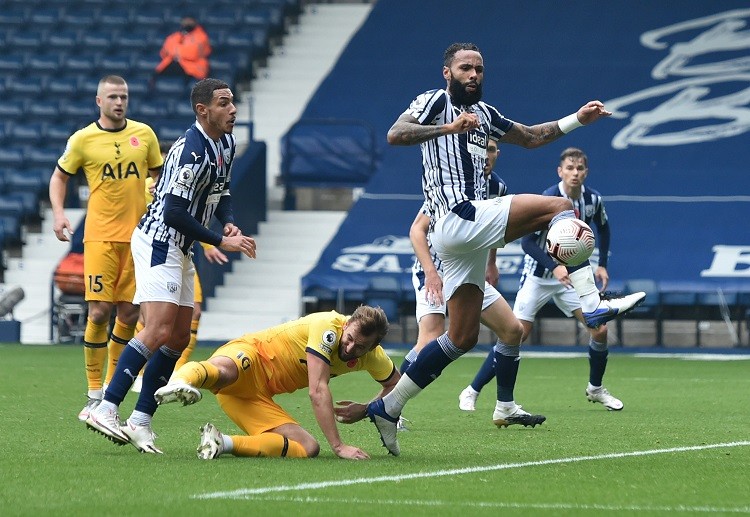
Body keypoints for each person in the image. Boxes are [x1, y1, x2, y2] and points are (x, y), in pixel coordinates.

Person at [365, 42, 645, 456]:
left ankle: (389, 407)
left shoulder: (487, 115)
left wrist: (578, 120)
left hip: (465, 242)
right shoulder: (434, 101)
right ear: (448, 72)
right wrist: (446, 129)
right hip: (456, 218)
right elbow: (396, 133)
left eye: (478, 68)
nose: (473, 75)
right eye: (465, 68)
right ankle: (591, 304)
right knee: (561, 206)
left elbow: (532, 137)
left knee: (459, 338)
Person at [86, 78, 257, 454]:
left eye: (233, 103)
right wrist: (219, 239)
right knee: (159, 327)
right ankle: (106, 406)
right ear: (203, 110)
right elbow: (173, 212)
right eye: (224, 103)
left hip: (181, 248)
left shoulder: (225, 143)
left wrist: (227, 220)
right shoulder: (190, 151)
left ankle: (140, 420)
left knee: (179, 337)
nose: (233, 110)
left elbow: (222, 191)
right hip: (159, 242)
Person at [459, 147, 624, 411]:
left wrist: (602, 264)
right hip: (538, 276)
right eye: (569, 168)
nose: (575, 173)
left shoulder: (594, 200)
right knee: (516, 334)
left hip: (572, 279)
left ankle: (595, 389)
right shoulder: (549, 198)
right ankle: (472, 390)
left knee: (600, 330)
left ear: (586, 172)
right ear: (560, 171)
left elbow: (603, 228)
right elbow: (528, 243)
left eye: (579, 168)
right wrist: (554, 266)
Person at [401, 139, 545, 428]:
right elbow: (417, 230)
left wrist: (491, 262)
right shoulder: (454, 186)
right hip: (437, 273)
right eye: (482, 149)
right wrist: (430, 272)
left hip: (470, 273)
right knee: (431, 337)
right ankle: (389, 404)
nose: (486, 155)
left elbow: (493, 228)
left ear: (497, 154)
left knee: (513, 330)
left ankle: (505, 407)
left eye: (491, 150)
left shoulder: (498, 188)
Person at [49, 75, 164, 422]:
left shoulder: (144, 135)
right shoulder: (83, 139)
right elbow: (59, 176)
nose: (119, 102)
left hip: (138, 239)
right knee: (99, 312)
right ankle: (94, 390)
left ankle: (112, 390)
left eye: (124, 96)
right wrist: (58, 214)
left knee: (128, 315)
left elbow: (160, 174)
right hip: (98, 237)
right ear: (99, 101)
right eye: (112, 96)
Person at [154, 306, 398, 460]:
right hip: (252, 355)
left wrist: (367, 409)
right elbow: (317, 391)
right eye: (350, 338)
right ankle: (181, 381)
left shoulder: (373, 357)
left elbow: (396, 385)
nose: (350, 347)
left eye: (360, 347)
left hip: (254, 397)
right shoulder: (328, 327)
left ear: (373, 348)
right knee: (226, 372)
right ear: (346, 325)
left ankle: (220, 442)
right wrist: (338, 446)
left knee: (307, 448)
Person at [154, 15, 211, 84]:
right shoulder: (174, 36)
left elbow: (193, 54)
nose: (187, 23)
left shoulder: (201, 36)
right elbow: (164, 52)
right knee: (154, 76)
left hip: (193, 67)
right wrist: (180, 51)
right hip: (173, 63)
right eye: (185, 21)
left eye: (190, 21)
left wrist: (175, 51)